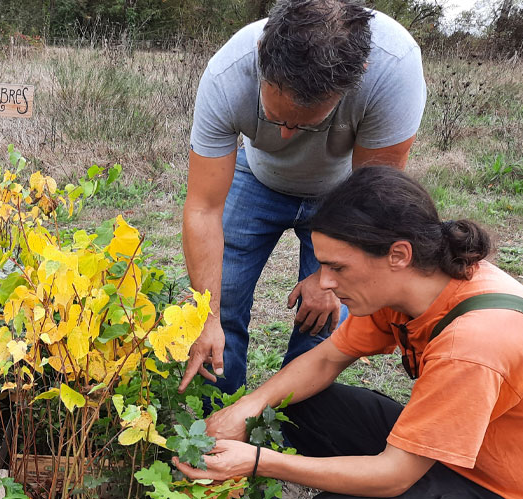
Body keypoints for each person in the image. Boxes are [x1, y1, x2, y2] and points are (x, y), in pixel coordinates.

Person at [173, 166, 523, 498]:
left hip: (503, 485)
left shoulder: (471, 345)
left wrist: (261, 462)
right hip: (462, 449)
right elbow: (327, 358)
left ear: (398, 254)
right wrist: (247, 409)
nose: (323, 283)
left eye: (337, 268)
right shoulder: (420, 281)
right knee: (294, 403)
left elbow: (395, 474)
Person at [179, 0, 427, 395]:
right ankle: (222, 424)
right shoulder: (228, 74)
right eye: (277, 118)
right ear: (263, 57)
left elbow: (374, 197)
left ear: (355, 78)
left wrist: (328, 281)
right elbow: (203, 208)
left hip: (346, 193)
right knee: (221, 306)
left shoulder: (392, 68)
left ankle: (289, 430)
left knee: (324, 319)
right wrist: (205, 318)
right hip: (255, 177)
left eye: (304, 122)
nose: (286, 137)